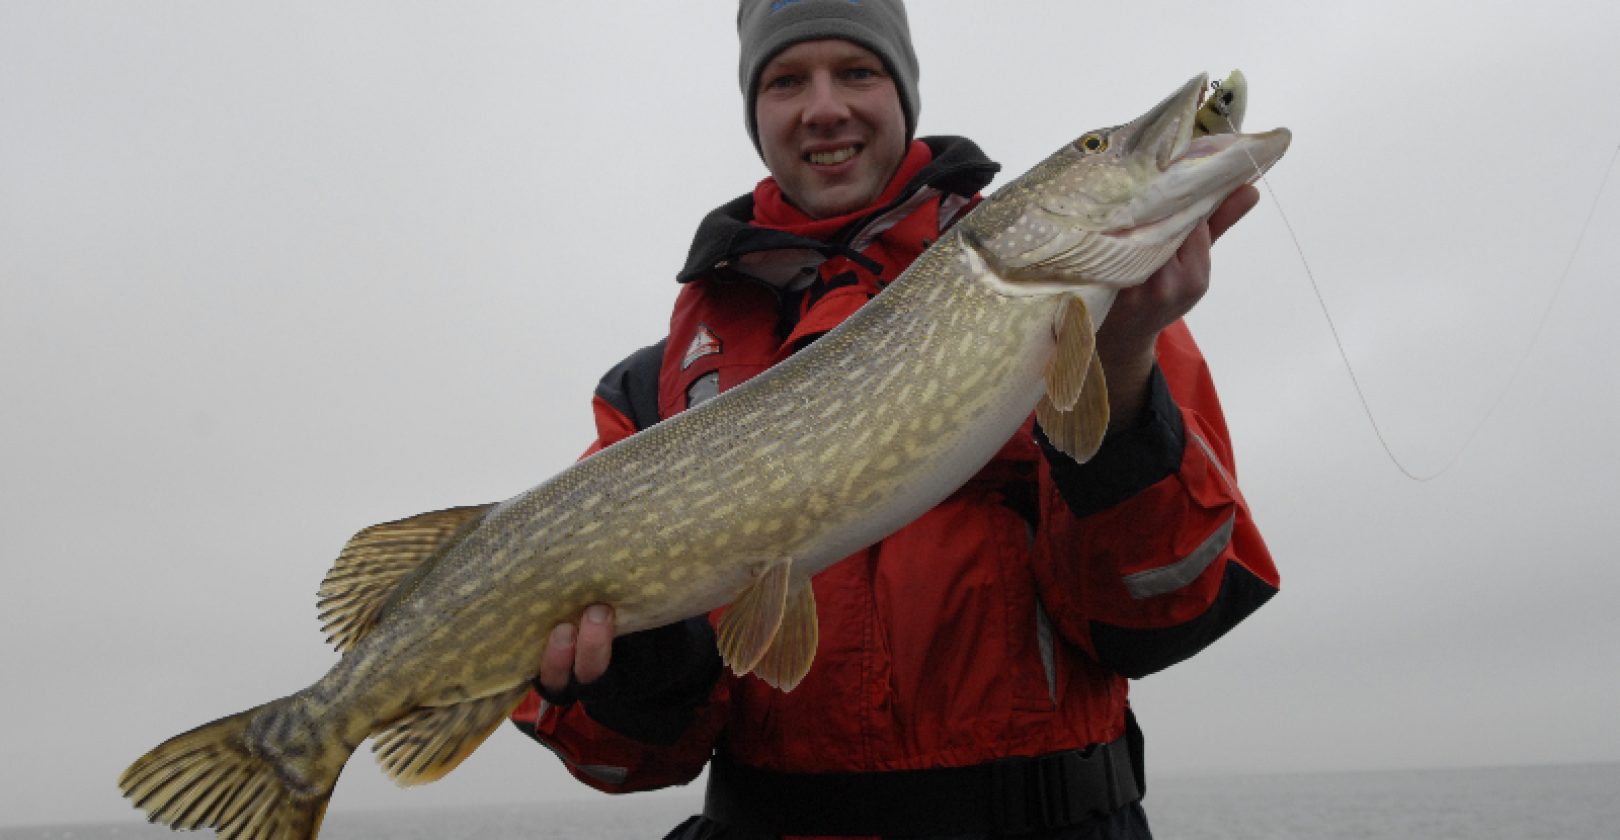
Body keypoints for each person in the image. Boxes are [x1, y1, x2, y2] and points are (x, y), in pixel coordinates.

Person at [509, 2, 1280, 838]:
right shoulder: (652, 389)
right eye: (786, 80)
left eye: (858, 71)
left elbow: (1168, 611)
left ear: (903, 91)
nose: (825, 107)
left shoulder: (1116, 317)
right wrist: (641, 662)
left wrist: (1123, 367)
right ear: (755, 110)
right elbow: (625, 760)